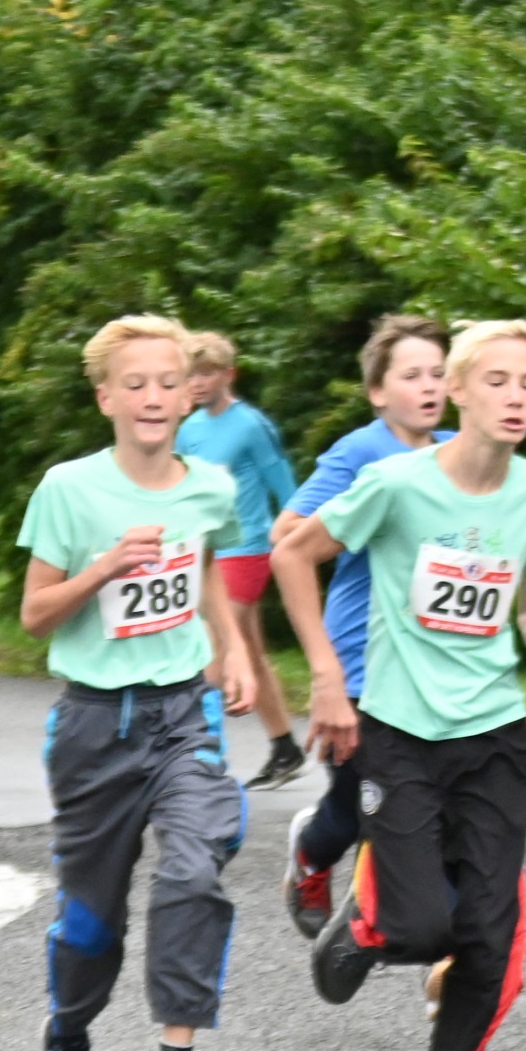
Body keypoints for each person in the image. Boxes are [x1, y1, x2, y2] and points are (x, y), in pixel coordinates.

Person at [272, 318, 526, 1051]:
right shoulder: (396, 483)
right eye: (499, 381)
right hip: (400, 732)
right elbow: (293, 554)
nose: (516, 398)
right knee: (419, 925)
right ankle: (369, 927)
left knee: (488, 934)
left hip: (494, 736)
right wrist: (327, 678)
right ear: (461, 390)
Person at [15, 313, 257, 1051]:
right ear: (106, 398)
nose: (153, 396)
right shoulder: (69, 489)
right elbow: (35, 613)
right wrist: (105, 568)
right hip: (93, 724)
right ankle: (67, 1041)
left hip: (183, 712)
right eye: (136, 383)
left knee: (196, 868)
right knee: (92, 929)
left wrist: (232, 650)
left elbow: (208, 569)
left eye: (168, 382)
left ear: (190, 395)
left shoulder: (210, 485)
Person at [268, 313, 454, 942]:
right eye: (411, 375)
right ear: (378, 391)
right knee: (354, 807)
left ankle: (404, 925)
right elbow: (286, 534)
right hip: (360, 658)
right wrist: (370, 527)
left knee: (429, 803)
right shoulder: (361, 452)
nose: (428, 386)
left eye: (438, 373)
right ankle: (311, 855)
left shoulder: (461, 453)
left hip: (430, 663)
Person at [176, 332, 304, 787]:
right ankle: (285, 747)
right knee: (247, 650)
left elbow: (286, 487)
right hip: (207, 552)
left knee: (214, 651)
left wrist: (295, 541)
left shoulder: (251, 425)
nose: (197, 382)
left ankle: (196, 757)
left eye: (207, 373)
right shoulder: (188, 429)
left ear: (229, 375)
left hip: (248, 548)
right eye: (191, 374)